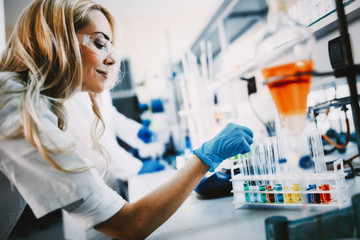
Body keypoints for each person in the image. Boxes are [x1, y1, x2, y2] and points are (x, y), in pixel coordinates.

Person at [0, 0, 254, 239]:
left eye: (110, 47)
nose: (111, 59)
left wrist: (136, 132)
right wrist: (206, 157)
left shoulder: (30, 98)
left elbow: (111, 118)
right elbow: (130, 225)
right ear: (56, 41)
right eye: (99, 44)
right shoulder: (18, 108)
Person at [62, 90, 165, 239]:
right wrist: (137, 167)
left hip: (105, 180)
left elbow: (108, 113)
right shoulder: (72, 91)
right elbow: (95, 139)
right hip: (87, 187)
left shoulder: (94, 82)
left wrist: (136, 131)